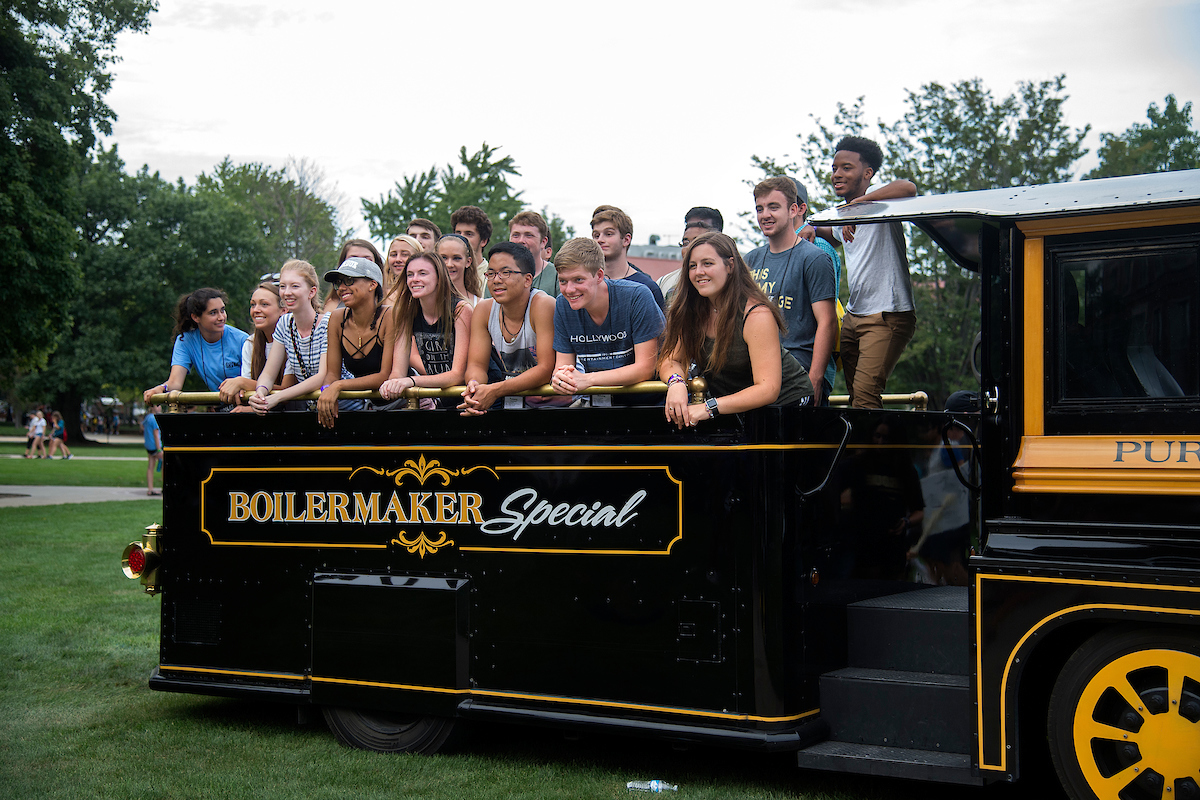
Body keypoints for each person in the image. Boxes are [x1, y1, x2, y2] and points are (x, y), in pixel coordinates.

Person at [658, 232, 812, 428]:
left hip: (785, 405)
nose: (698, 272)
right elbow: (670, 359)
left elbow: (768, 389)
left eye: (708, 264)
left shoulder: (756, 314)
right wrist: (676, 382)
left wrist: (708, 407)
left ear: (730, 266)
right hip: (733, 407)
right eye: (692, 266)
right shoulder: (689, 310)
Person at [814, 135, 918, 409]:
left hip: (887, 315)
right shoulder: (844, 216)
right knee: (857, 398)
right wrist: (807, 228)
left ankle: (876, 453)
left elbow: (908, 188)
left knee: (865, 397)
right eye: (835, 168)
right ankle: (865, 451)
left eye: (846, 168)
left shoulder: (883, 206)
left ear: (867, 173)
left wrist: (857, 206)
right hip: (854, 316)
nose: (837, 174)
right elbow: (828, 233)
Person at [251, 258, 393, 427]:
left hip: (352, 408)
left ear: (312, 292)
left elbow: (324, 377)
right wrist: (260, 393)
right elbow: (269, 373)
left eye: (294, 286)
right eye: (282, 286)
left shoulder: (329, 321)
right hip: (320, 410)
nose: (287, 292)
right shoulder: (285, 323)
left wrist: (278, 396)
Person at [745, 177, 838, 405]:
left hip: (798, 370)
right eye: (760, 208)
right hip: (756, 371)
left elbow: (827, 322)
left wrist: (815, 378)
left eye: (773, 207)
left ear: (793, 209)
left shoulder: (815, 257)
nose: (765, 214)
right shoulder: (750, 259)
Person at [550, 238, 664, 406]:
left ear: (599, 276)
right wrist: (561, 378)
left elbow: (646, 368)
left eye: (578, 280)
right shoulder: (562, 304)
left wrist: (588, 379)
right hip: (601, 402)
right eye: (563, 281)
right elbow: (564, 367)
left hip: (650, 403)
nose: (569, 289)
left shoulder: (637, 296)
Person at [459, 242, 556, 414]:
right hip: (512, 401)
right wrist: (474, 386)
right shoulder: (483, 310)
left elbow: (545, 369)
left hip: (555, 404)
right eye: (491, 273)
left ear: (527, 280)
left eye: (505, 273)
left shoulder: (543, 305)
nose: (496, 280)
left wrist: (495, 390)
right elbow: (476, 365)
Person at [380, 251, 473, 408]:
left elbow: (457, 375)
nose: (414, 279)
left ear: (439, 278)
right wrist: (392, 384)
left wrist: (411, 381)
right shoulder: (406, 313)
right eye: (410, 274)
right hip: (442, 399)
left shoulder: (461, 310)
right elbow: (398, 371)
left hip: (471, 399)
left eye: (422, 273)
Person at [144, 288, 249, 404]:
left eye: (222, 310)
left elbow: (256, 382)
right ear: (195, 317)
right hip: (222, 408)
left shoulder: (242, 340)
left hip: (248, 406)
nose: (221, 317)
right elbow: (175, 383)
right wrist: (161, 388)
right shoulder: (185, 341)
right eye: (213, 313)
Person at [218, 281, 286, 409]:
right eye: (253, 305)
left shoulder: (292, 341)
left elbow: (288, 392)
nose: (256, 310)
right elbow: (246, 392)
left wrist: (243, 382)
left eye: (264, 304)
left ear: (283, 310)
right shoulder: (250, 343)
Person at [590, 205, 666, 310]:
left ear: (626, 240)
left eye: (608, 234)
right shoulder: (587, 284)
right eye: (596, 235)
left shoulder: (647, 287)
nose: (600, 240)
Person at [660, 207, 723, 306]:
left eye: (697, 241)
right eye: (685, 242)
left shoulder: (734, 288)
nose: (689, 248)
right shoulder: (665, 284)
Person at [322, 239, 385, 313]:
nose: (359, 263)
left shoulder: (390, 302)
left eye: (367, 260)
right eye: (353, 259)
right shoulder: (333, 308)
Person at [507, 211, 559, 297]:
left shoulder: (557, 276)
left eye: (528, 235)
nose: (521, 240)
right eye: (516, 235)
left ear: (543, 242)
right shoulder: (498, 275)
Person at [436, 233, 483, 307]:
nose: (449, 264)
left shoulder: (480, 305)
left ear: (468, 262)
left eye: (456, 258)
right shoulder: (426, 301)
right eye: (444, 258)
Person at [451, 205, 492, 284]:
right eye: (458, 233)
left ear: (483, 241)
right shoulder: (444, 274)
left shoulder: (493, 277)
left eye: (469, 234)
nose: (461, 238)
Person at [384, 235, 423, 302]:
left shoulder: (426, 292)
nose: (398, 259)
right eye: (393, 255)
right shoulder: (382, 294)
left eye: (405, 254)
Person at [143, 404, 162, 495]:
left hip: (148, 446)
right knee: (165, 466)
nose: (160, 407)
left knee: (150, 467)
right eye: (158, 406)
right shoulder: (154, 418)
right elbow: (156, 435)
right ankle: (165, 487)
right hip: (155, 447)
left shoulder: (147, 418)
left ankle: (150, 489)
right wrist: (159, 449)